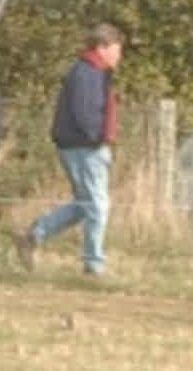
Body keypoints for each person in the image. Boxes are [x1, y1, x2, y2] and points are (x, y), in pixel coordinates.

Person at [21, 25, 123, 271]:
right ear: (102, 47)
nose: (118, 56)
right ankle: (93, 264)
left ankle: (36, 233)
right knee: (98, 205)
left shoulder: (91, 72)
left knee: (86, 204)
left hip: (79, 145)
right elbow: (85, 112)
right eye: (116, 50)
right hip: (84, 147)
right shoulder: (88, 73)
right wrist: (98, 139)